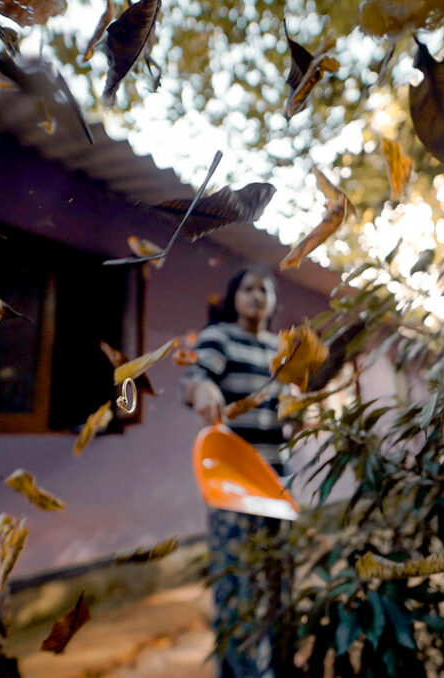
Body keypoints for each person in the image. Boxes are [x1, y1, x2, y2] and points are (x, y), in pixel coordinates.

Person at [179, 266, 290, 678]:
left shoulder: (284, 348)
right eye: (248, 288)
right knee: (237, 585)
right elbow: (194, 376)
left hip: (279, 484)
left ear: (275, 301)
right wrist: (201, 388)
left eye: (265, 290)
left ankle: (274, 666)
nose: (257, 296)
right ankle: (239, 672)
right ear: (234, 297)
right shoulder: (220, 337)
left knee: (277, 581)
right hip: (233, 488)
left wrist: (300, 409)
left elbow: (291, 402)